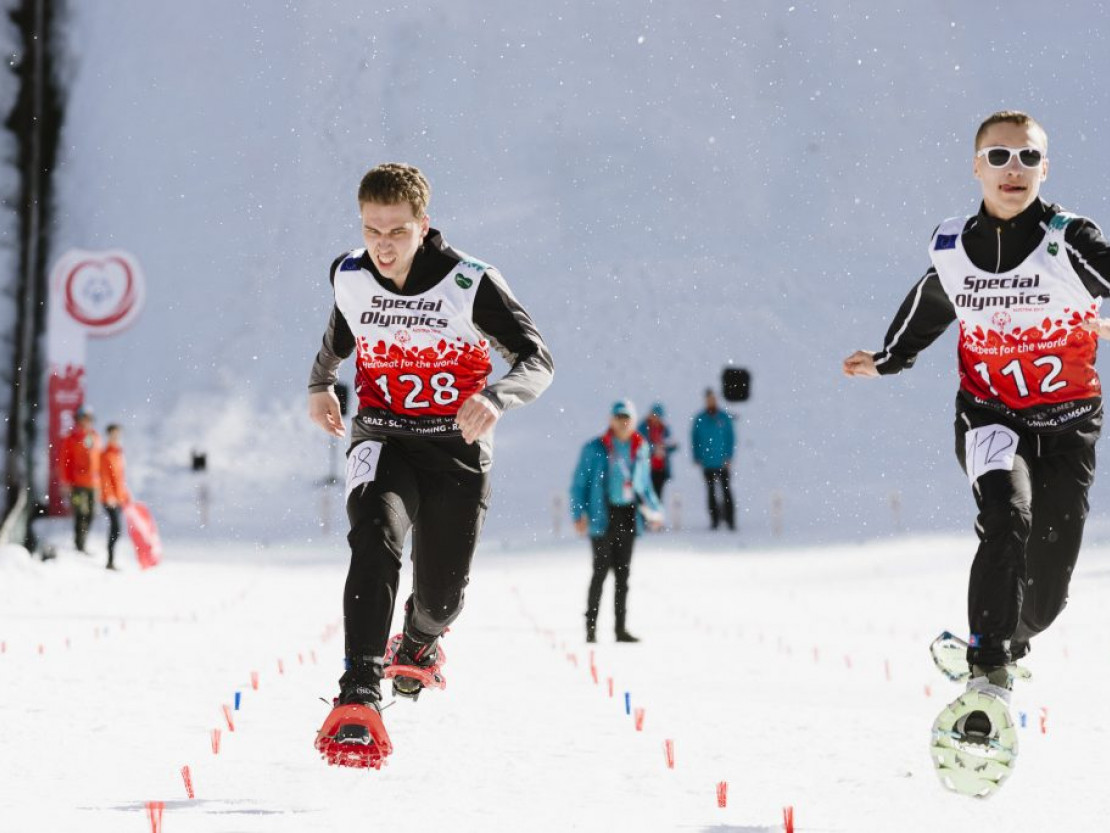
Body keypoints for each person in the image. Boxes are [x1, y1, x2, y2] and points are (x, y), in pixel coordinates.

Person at [843, 110, 1110, 795]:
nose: (1012, 168)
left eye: (1027, 157)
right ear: (976, 167)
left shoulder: (1067, 240)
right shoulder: (954, 247)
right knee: (1005, 514)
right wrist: (889, 358)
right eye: (998, 156)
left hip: (1069, 426)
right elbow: (932, 303)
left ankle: (1012, 639)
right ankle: (987, 661)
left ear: (1045, 169)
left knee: (1047, 596)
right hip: (991, 418)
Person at [308, 162, 553, 768]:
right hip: (383, 438)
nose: (383, 246)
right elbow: (341, 334)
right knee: (374, 535)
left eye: (396, 231)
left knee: (441, 599)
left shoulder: (469, 283)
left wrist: (495, 398)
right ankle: (358, 695)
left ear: (424, 225)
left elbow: (538, 360)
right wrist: (320, 384)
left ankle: (419, 643)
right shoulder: (351, 274)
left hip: (454, 452)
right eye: (372, 231)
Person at [570, 399, 664, 644]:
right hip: (603, 515)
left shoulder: (640, 448)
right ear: (611, 420)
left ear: (633, 422)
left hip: (629, 514)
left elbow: (644, 485)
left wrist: (655, 510)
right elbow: (580, 483)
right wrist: (578, 513)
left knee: (623, 575)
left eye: (627, 418)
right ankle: (590, 629)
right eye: (619, 417)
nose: (623, 422)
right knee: (600, 571)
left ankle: (620, 629)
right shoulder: (595, 448)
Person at [58, 406, 102, 554]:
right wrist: (66, 481)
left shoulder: (95, 436)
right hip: (77, 484)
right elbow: (65, 462)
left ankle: (83, 541)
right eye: (83, 419)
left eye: (88, 419)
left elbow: (99, 460)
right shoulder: (71, 438)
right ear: (78, 420)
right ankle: (79, 544)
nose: (86, 422)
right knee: (80, 512)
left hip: (93, 484)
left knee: (90, 514)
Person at [690, 389, 736, 530]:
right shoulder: (700, 419)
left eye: (713, 399)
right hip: (708, 462)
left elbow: (730, 438)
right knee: (711, 492)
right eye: (709, 399)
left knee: (726, 490)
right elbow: (695, 439)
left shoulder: (724, 418)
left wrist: (729, 456)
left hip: (722, 461)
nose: (711, 402)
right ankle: (714, 520)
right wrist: (697, 456)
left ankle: (730, 520)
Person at [100, 424, 131, 571]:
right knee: (115, 529)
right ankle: (109, 560)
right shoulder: (106, 454)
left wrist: (125, 495)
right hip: (110, 499)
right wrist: (109, 496)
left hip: (118, 497)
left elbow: (120, 479)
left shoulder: (118, 454)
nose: (116, 438)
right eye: (113, 435)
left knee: (117, 530)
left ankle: (111, 560)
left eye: (118, 435)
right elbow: (105, 478)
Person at [638, 402, 678, 500]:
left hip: (661, 469)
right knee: (646, 496)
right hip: (646, 468)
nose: (656, 418)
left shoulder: (664, 428)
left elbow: (671, 443)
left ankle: (657, 513)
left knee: (658, 496)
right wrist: (654, 449)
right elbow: (639, 445)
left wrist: (666, 447)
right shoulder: (643, 427)